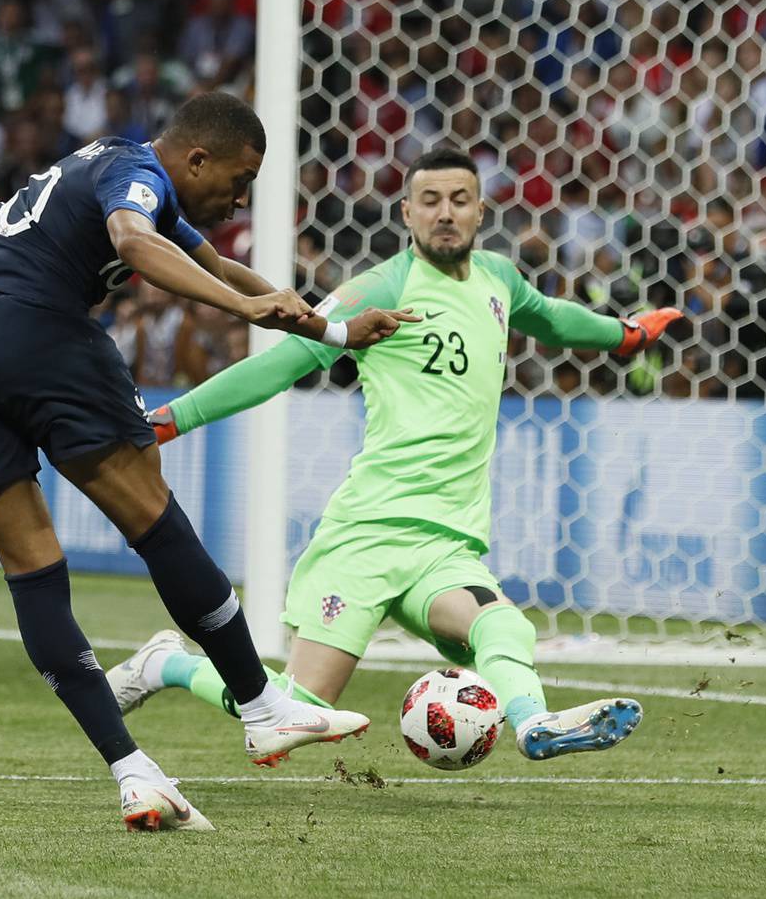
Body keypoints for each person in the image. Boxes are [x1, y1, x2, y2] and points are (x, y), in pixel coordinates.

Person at [0, 92, 413, 832]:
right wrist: (241, 315)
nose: (240, 197)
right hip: (29, 327)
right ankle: (262, 705)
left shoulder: (119, 173)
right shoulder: (134, 170)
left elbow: (236, 274)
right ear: (195, 157)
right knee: (154, 519)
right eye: (239, 179)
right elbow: (136, 243)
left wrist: (333, 330)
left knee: (32, 564)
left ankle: (134, 773)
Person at [113, 147, 683, 762]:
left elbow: (552, 319)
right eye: (431, 202)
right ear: (407, 212)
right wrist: (175, 417)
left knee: (503, 622)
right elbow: (282, 363)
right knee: (296, 708)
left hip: (445, 543)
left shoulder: (499, 279)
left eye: (459, 201)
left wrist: (623, 335)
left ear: (480, 211)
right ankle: (167, 663)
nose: (445, 214)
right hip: (368, 534)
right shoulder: (381, 287)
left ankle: (533, 724)